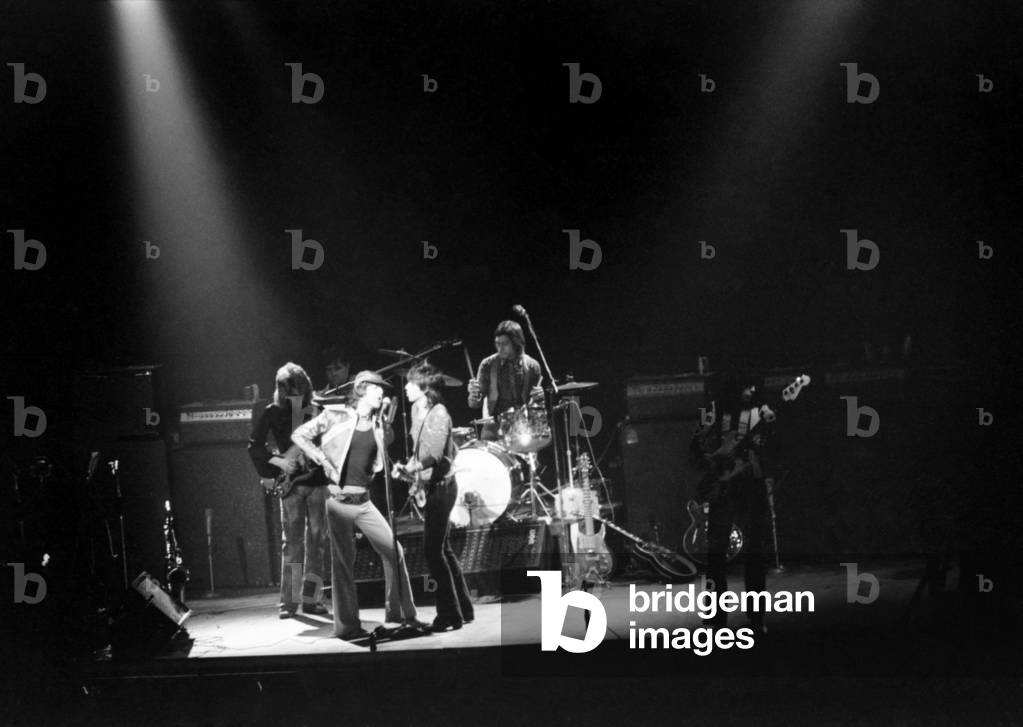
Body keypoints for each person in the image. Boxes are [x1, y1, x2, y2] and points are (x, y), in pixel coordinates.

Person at [291, 370, 425, 640]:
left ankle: (399, 615)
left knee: (394, 551)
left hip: (363, 501)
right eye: (377, 389)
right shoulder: (335, 415)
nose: (382, 394)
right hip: (338, 501)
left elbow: (380, 458)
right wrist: (322, 459)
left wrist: (387, 426)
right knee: (343, 563)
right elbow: (300, 435)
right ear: (363, 389)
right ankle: (347, 626)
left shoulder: (377, 424)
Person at [393, 362, 474, 632]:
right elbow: (420, 453)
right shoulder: (419, 411)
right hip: (433, 486)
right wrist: (406, 468)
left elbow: (436, 453)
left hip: (443, 487)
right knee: (444, 549)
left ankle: (449, 615)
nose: (405, 386)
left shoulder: (439, 412)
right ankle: (464, 607)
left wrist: (414, 467)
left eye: (410, 382)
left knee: (432, 551)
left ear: (424, 386)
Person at [248, 362, 329, 618]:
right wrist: (279, 462)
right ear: (281, 391)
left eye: (298, 392)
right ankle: (290, 602)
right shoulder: (272, 411)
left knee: (317, 543)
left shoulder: (318, 410)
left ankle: (312, 599)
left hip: (317, 482)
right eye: (289, 393)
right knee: (293, 544)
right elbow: (254, 446)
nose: (294, 397)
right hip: (291, 484)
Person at [692, 375, 770, 635]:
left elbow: (775, 446)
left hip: (750, 481)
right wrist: (710, 459)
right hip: (723, 485)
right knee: (716, 551)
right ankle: (715, 616)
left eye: (753, 386)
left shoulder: (762, 412)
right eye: (747, 384)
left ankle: (757, 618)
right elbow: (695, 446)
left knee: (755, 550)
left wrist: (766, 441)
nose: (752, 389)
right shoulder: (715, 411)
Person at [467, 320, 544, 441]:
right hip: (494, 427)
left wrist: (539, 397)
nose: (500, 348)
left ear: (516, 343)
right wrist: (473, 395)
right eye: (497, 344)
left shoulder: (532, 366)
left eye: (505, 344)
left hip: (522, 427)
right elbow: (474, 404)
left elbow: (536, 407)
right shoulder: (487, 365)